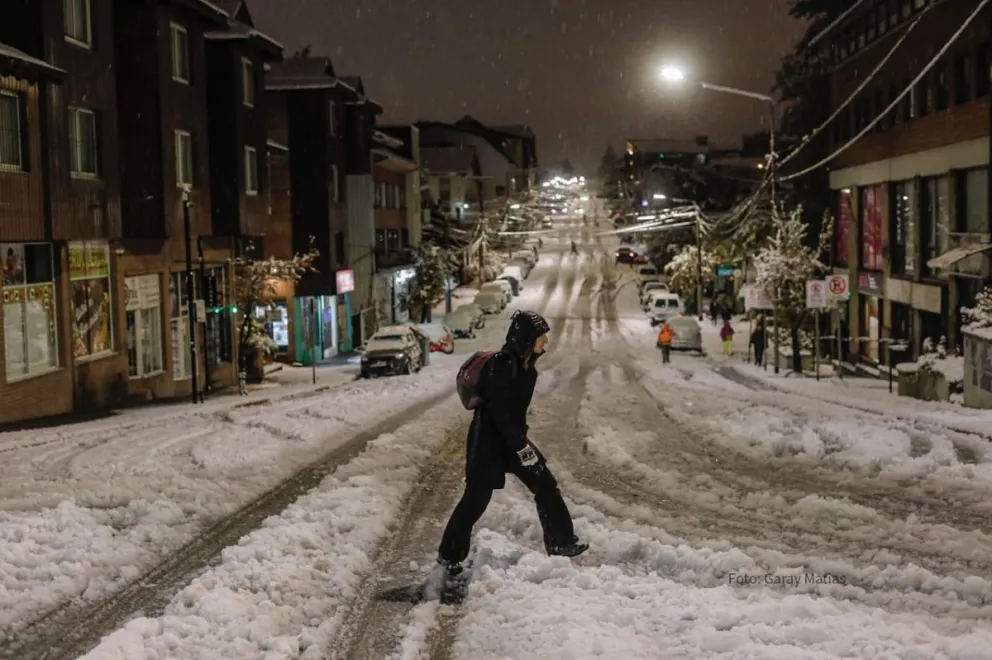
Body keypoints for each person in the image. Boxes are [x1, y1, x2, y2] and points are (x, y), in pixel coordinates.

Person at [437, 311, 587, 576]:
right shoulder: (502, 365)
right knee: (475, 500)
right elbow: (499, 412)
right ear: (526, 338)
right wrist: (522, 447)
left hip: (511, 441)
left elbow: (513, 415)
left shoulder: (525, 367)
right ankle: (448, 556)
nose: (545, 343)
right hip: (488, 444)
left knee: (545, 484)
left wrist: (520, 444)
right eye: (541, 337)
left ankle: (561, 542)